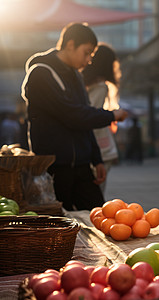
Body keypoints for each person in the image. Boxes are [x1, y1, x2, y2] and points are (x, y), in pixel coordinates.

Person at [21, 23, 128, 211]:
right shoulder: (41, 73)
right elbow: (72, 114)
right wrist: (111, 115)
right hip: (54, 166)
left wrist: (97, 159)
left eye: (91, 55)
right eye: (86, 53)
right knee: (59, 225)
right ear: (70, 45)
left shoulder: (76, 76)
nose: (88, 61)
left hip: (82, 166)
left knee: (98, 216)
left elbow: (84, 118)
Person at [82, 43, 121, 194]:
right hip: (100, 149)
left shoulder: (84, 84)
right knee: (96, 191)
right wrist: (114, 115)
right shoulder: (100, 86)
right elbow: (93, 117)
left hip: (89, 147)